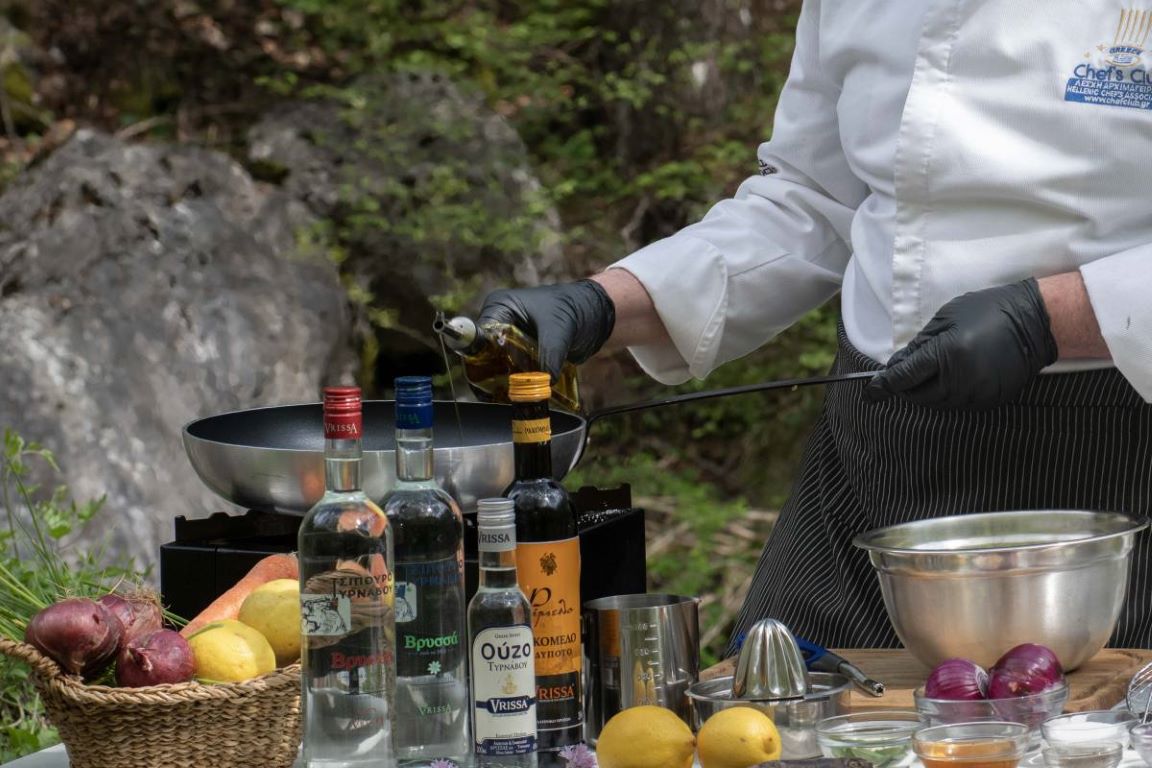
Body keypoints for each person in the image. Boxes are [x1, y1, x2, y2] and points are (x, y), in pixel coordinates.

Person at [478, 0, 1152, 652]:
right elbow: (809, 202)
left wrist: (1049, 318)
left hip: (1105, 455)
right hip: (870, 456)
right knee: (766, 713)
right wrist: (605, 303)